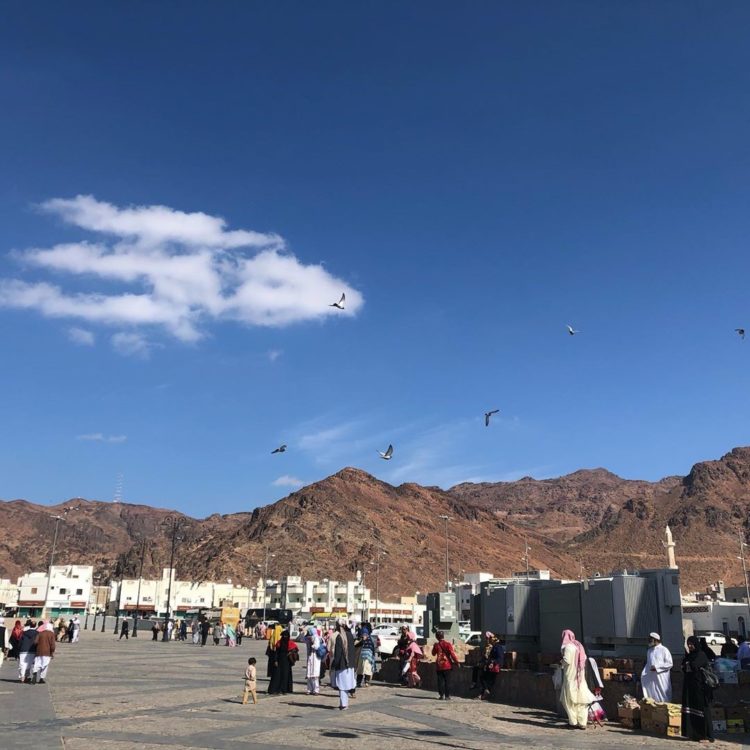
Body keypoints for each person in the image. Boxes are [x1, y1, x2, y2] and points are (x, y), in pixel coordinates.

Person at [559, 629, 596, 730]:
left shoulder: (568, 647)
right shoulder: (578, 645)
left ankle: (573, 722)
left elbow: (567, 661)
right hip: (580, 677)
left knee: (568, 699)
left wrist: (560, 662)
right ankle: (582, 722)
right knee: (581, 700)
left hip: (570, 676)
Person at [681, 635, 714, 743]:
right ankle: (694, 733)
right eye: (688, 644)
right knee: (692, 709)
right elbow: (684, 666)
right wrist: (687, 665)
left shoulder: (701, 655)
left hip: (701, 688)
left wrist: (688, 665)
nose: (690, 646)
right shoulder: (690, 655)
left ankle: (706, 735)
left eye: (691, 644)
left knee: (703, 710)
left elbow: (694, 666)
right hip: (690, 687)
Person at [329, 618, 356, 710]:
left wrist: (334, 664)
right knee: (346, 685)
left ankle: (344, 704)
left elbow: (338, 653)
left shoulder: (339, 637)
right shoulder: (350, 635)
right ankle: (343, 704)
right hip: (350, 665)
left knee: (342, 686)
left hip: (342, 664)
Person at [640, 632, 673, 702]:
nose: (649, 641)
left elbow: (669, 663)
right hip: (652, 678)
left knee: (663, 697)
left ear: (655, 640)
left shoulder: (664, 650)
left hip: (661, 678)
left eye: (650, 639)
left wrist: (657, 667)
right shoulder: (649, 651)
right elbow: (648, 664)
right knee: (652, 696)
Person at [268, 630, 298, 695]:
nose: (285, 637)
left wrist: (291, 652)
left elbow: (296, 650)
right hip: (279, 661)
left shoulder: (291, 643)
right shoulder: (279, 643)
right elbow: (276, 653)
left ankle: (284, 690)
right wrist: (275, 660)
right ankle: (275, 690)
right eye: (284, 636)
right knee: (277, 676)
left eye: (286, 636)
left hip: (287, 662)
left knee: (285, 676)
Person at [432, 630, 459, 700]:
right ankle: (447, 696)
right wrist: (457, 662)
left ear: (437, 637)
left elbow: (433, 653)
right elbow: (452, 654)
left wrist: (434, 647)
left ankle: (441, 695)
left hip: (439, 665)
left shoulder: (436, 645)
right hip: (447, 665)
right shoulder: (448, 644)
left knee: (440, 681)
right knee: (447, 681)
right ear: (443, 636)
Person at [476, 633, 504, 700]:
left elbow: (500, 658)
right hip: (490, 665)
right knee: (484, 677)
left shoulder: (498, 647)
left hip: (495, 666)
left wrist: (493, 662)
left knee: (489, 679)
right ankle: (485, 690)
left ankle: (486, 691)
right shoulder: (494, 647)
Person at [305, 625, 322, 695]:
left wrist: (312, 644)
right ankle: (309, 689)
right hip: (310, 657)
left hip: (315, 657)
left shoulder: (316, 638)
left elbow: (317, 646)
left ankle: (316, 690)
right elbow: (304, 639)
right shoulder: (309, 638)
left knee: (315, 675)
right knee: (309, 674)